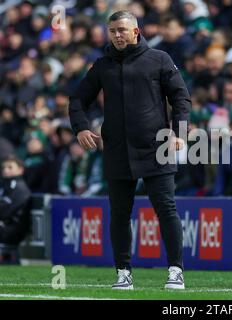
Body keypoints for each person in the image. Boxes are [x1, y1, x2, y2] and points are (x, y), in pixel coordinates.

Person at [69, 11, 191, 290]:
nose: (117, 35)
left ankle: (176, 270)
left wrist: (179, 131)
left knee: (167, 209)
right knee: (120, 214)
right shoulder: (102, 65)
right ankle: (123, 273)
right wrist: (81, 128)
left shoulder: (159, 59)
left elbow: (181, 97)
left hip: (156, 147)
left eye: (122, 30)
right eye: (112, 30)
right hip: (116, 149)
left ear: (136, 31)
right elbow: (77, 99)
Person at [0, 155, 32, 246]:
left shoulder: (19, 188)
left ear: (20, 170)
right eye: (4, 168)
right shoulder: (5, 185)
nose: (6, 170)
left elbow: (4, 211)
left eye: (10, 167)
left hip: (13, 229)